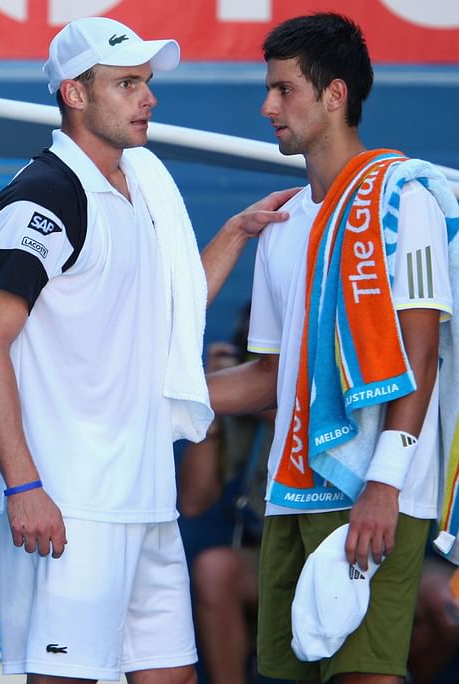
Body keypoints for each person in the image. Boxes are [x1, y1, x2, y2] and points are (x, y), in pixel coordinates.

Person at [0, 16, 294, 684]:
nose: (149, 98)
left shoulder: (143, 185)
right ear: (75, 95)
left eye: (146, 82)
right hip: (69, 505)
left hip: (147, 499)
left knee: (172, 677)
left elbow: (163, 317)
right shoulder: (43, 195)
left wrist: (234, 232)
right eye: (127, 83)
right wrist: (25, 486)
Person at [207, 12, 458, 684]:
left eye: (283, 90)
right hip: (292, 495)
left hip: (376, 493)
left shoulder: (408, 200)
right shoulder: (283, 221)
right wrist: (164, 393)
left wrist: (382, 481)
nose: (267, 106)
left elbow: (422, 352)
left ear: (335, 95)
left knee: (363, 678)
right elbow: (269, 378)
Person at [178, 303, 274, 684]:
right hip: (265, 550)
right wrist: (211, 404)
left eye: (265, 354)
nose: (256, 363)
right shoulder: (238, 413)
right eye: (247, 351)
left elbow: (302, 410)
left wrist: (250, 390)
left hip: (334, 546)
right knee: (215, 569)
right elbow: (194, 501)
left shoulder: (331, 382)